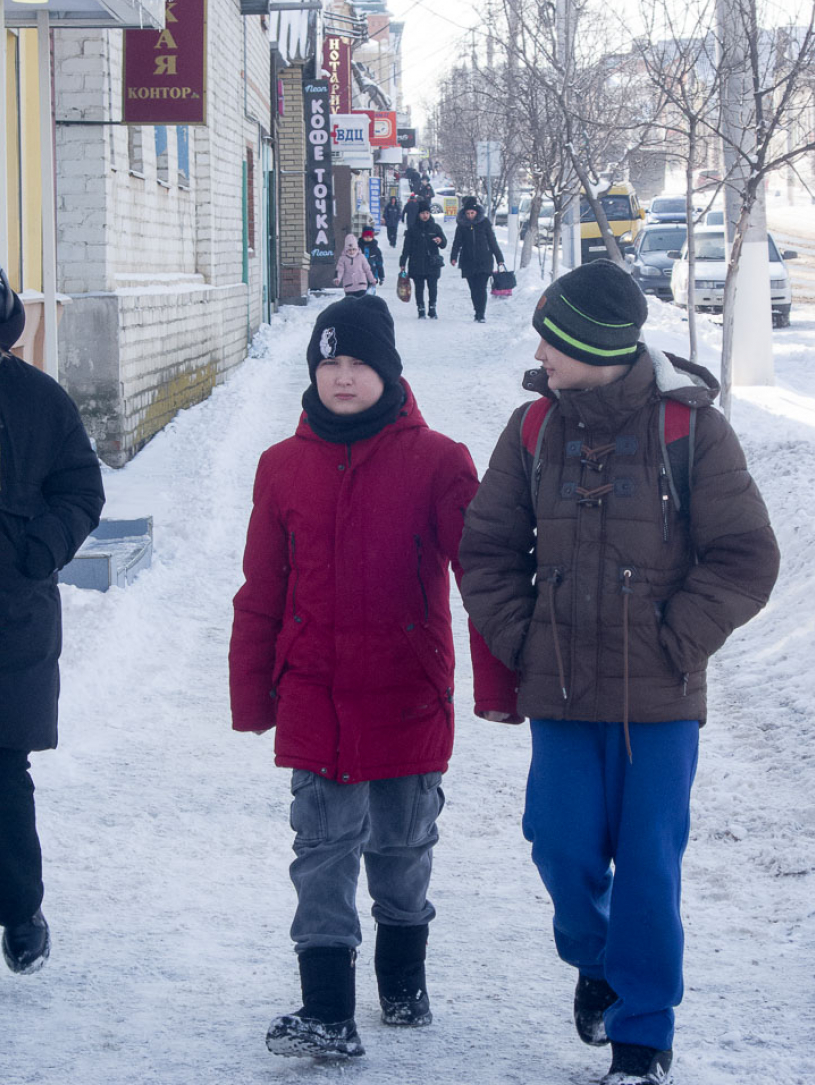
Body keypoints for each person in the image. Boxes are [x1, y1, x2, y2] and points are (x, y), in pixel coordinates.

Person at [458, 260, 780, 1085]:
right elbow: (488, 551)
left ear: (592, 346)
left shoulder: (690, 428)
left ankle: (642, 1039)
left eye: (551, 337)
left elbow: (746, 556)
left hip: (661, 701)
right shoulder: (533, 430)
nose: (538, 351)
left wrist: (680, 639)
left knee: (648, 867)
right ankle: (596, 960)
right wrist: (522, 639)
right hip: (560, 692)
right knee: (559, 847)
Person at [229, 295, 514, 1060]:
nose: (343, 378)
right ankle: (326, 1010)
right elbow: (262, 587)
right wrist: (253, 693)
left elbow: (480, 577)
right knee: (321, 848)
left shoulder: (440, 461)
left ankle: (403, 984)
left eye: (357, 364)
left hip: (407, 691)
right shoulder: (281, 467)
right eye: (329, 364)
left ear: (388, 372)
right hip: (315, 692)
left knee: (402, 846)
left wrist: (498, 687)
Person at [0, 267, 105, 974]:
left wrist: (41, 548)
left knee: (4, 772)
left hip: (10, 619)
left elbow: (80, 487)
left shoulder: (36, 401)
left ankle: (19, 909)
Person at [450, 196, 505, 324]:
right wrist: (453, 257)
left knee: (481, 288)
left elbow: (492, 241)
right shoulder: (462, 226)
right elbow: (457, 242)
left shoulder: (484, 223)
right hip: (467, 261)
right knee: (473, 288)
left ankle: (481, 313)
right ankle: (477, 310)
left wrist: (499, 259)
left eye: (472, 213)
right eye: (468, 213)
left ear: (477, 212)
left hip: (484, 261)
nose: (470, 215)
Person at [399, 202, 447, 320]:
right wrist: (402, 263)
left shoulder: (435, 228)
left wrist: (440, 240)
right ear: (418, 215)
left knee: (433, 287)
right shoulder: (413, 229)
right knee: (419, 288)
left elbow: (444, 244)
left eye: (427, 213)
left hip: (432, 263)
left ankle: (432, 308)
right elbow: (406, 248)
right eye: (422, 213)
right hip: (417, 263)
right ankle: (420, 308)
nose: (425, 216)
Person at [334, 233, 376, 298]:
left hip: (361, 285)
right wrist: (337, 278)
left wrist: (372, 280)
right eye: (349, 250)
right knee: (351, 305)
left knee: (360, 303)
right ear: (346, 249)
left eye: (354, 249)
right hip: (349, 286)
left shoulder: (361, 257)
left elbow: (367, 270)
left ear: (357, 248)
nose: (352, 252)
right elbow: (339, 270)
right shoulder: (343, 259)